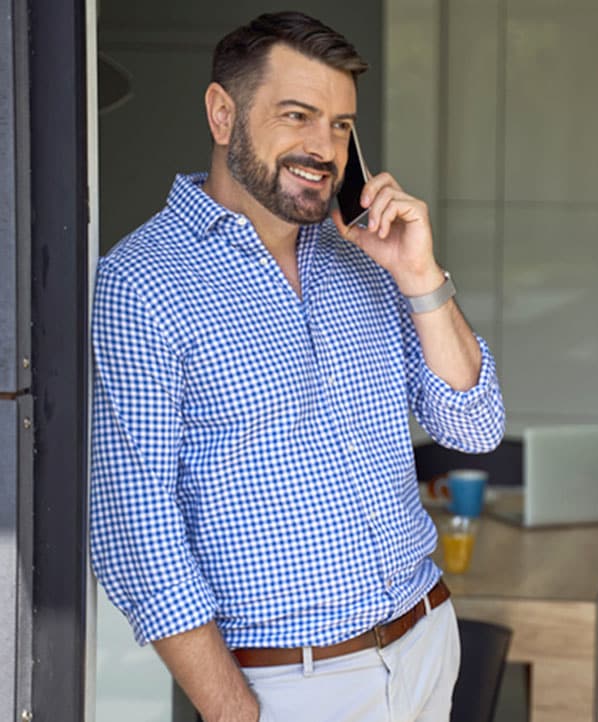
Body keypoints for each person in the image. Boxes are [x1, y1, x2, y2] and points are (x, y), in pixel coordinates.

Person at [89, 11, 505, 722]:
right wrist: (231, 711)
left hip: (428, 642)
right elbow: (137, 529)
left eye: (341, 125)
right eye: (298, 115)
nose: (325, 147)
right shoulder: (141, 284)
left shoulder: (364, 257)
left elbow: (474, 426)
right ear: (223, 113)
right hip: (294, 686)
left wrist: (421, 275)